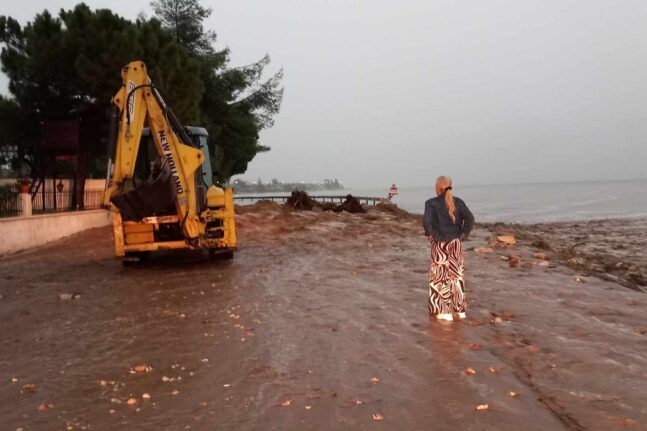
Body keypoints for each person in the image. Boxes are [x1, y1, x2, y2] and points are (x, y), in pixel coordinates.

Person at [422, 176, 474, 321]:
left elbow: (426, 221)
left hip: (440, 243)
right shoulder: (458, 202)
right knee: (456, 276)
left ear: (438, 188)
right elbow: (470, 219)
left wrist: (430, 235)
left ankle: (444, 311)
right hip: (455, 243)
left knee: (440, 277)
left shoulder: (431, 203)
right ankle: (460, 310)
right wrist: (463, 234)